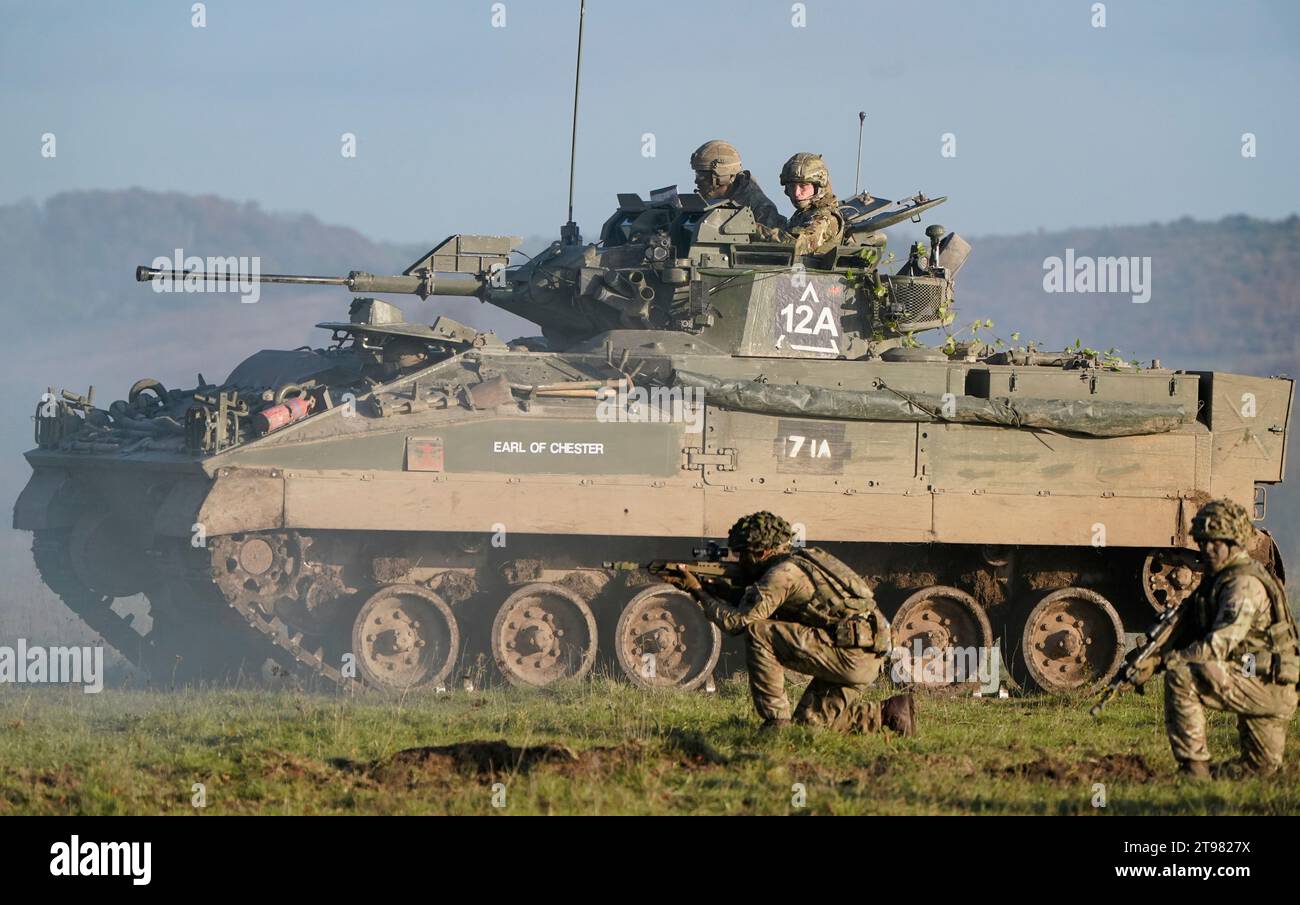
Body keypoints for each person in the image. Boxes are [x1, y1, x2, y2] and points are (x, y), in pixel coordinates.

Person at [664, 511, 915, 735]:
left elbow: (738, 623)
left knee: (758, 633)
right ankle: (890, 712)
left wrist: (698, 591)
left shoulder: (781, 575)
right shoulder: (806, 561)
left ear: (761, 553)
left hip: (849, 654)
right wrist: (721, 592)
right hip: (865, 653)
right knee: (808, 725)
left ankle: (776, 723)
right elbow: (767, 606)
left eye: (742, 555)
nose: (738, 561)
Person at [1139, 499, 1299, 778]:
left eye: (1216, 543)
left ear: (1235, 543)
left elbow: (1218, 645)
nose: (1207, 550)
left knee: (1181, 674)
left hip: (1267, 684)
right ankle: (1206, 779)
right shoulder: (1222, 579)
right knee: (1259, 772)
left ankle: (1194, 771)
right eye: (1203, 542)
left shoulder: (1243, 585)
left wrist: (1165, 660)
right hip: (1260, 681)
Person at [752, 152, 846, 256]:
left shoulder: (826, 218)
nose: (796, 193)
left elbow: (797, 245)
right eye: (792, 186)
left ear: (818, 186)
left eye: (803, 186)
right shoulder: (804, 213)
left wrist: (754, 230)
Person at [690, 140, 786, 229]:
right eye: (697, 174)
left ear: (721, 176)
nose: (696, 181)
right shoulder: (707, 201)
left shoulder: (760, 208)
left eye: (702, 175)